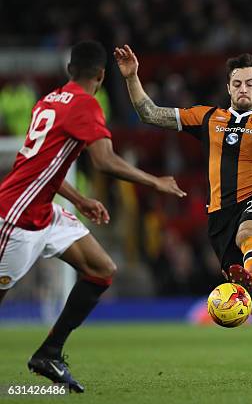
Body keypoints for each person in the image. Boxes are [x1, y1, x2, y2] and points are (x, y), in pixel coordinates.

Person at [114, 46, 252, 379]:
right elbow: (149, 114)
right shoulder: (207, 117)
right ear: (229, 88)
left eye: (249, 83)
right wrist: (132, 78)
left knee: (249, 235)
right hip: (218, 219)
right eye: (237, 83)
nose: (243, 89)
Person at [0, 41, 186, 393]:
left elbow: (36, 166)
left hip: (44, 211)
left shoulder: (48, 101)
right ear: (101, 76)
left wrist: (80, 198)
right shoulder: (86, 104)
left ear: (71, 70)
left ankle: (49, 353)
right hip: (17, 218)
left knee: (102, 269)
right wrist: (154, 181)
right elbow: (104, 161)